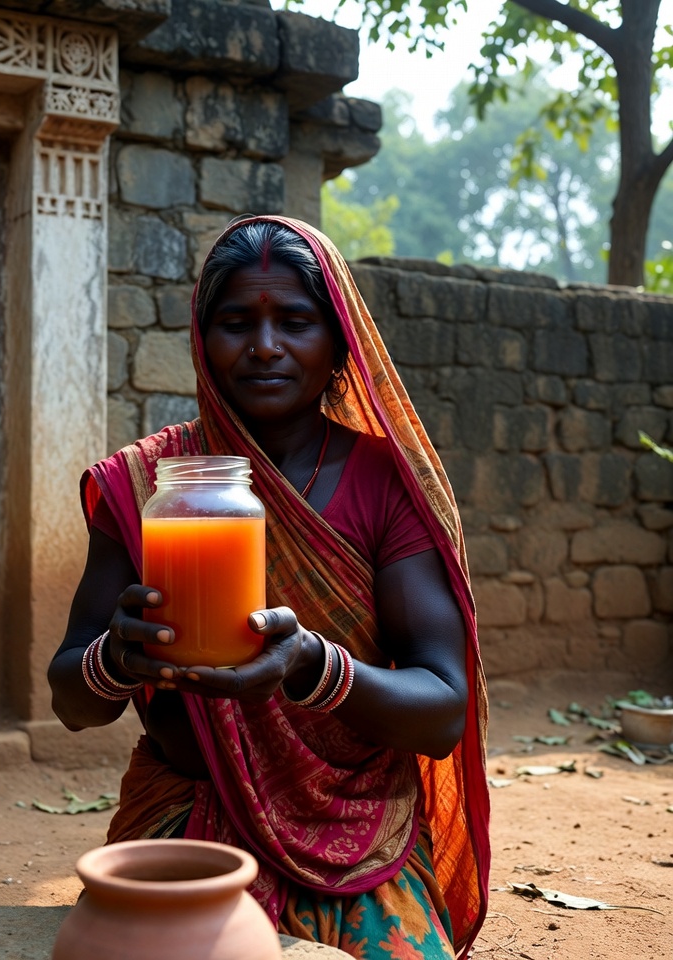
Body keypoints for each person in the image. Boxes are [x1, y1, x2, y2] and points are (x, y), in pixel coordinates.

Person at [48, 215, 490, 958]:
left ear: (339, 341)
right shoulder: (148, 482)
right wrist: (116, 661)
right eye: (234, 322)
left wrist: (312, 666)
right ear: (202, 338)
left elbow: (442, 711)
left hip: (358, 832)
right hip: (190, 818)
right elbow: (71, 702)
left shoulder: (387, 485)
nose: (263, 347)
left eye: (294, 321)